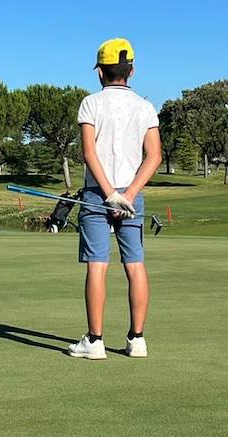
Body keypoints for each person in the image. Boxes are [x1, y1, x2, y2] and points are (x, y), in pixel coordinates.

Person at [67, 38, 163, 360]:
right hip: (131, 196)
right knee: (134, 265)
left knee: (97, 265)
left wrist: (109, 194)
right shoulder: (146, 107)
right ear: (132, 71)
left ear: (99, 73)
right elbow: (154, 157)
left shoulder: (90, 103)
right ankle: (137, 340)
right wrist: (129, 195)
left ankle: (94, 343)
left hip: (97, 194)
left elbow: (88, 152)